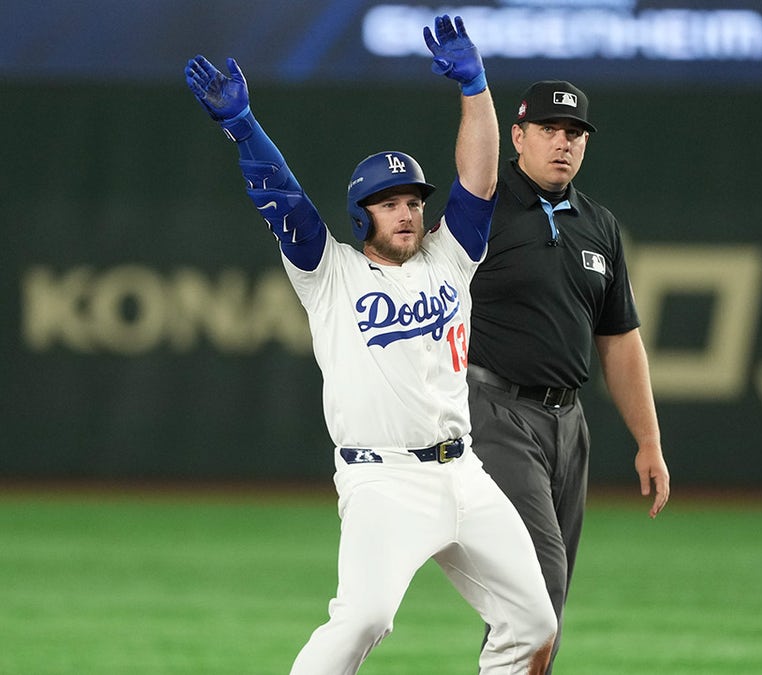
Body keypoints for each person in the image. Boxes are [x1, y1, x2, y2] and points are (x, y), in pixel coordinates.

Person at [184, 15, 556, 675]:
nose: (408, 210)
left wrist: (476, 86)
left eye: (413, 199)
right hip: (382, 478)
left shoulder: (452, 257)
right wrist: (242, 126)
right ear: (362, 217)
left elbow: (481, 177)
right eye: (389, 203)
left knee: (533, 622)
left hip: (464, 473)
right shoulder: (329, 274)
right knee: (364, 617)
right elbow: (285, 199)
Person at [464, 79, 670, 670]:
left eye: (575, 132)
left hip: (567, 423)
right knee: (539, 582)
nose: (563, 142)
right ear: (518, 136)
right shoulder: (481, 209)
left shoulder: (598, 224)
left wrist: (649, 440)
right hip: (493, 411)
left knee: (541, 595)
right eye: (550, 130)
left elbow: (621, 341)